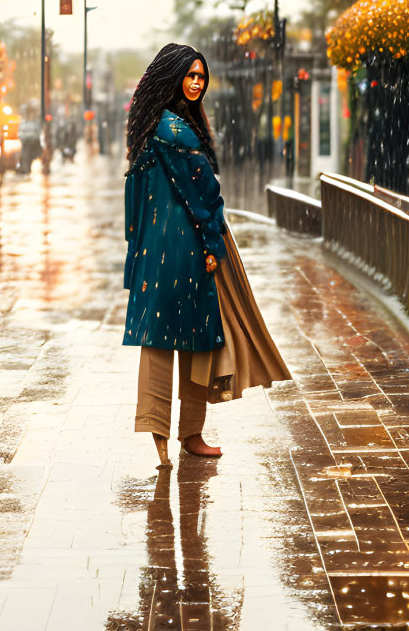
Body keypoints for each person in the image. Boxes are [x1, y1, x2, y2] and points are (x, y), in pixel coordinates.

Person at [123, 43, 292, 468]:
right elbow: (206, 195)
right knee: (197, 342)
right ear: (174, 77)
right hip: (190, 246)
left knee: (158, 343)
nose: (197, 83)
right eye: (191, 75)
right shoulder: (179, 131)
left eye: (202, 77)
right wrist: (214, 244)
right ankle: (190, 434)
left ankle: (162, 437)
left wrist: (137, 251)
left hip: (154, 250)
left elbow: (134, 199)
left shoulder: (146, 129)